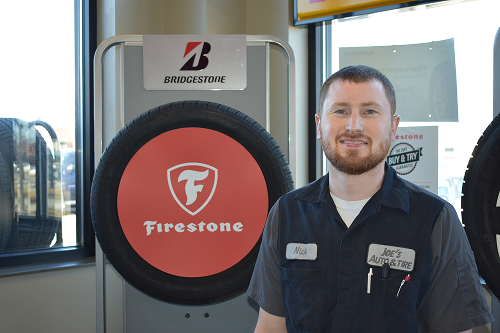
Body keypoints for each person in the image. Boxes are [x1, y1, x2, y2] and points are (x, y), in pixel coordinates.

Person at [247, 65, 494, 333]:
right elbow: (271, 326)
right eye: (341, 111)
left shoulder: (435, 220)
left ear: (393, 126)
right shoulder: (286, 214)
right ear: (319, 125)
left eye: (370, 111)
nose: (354, 125)